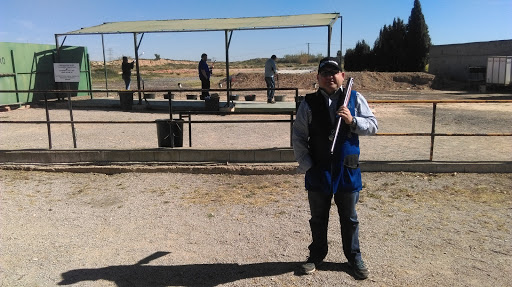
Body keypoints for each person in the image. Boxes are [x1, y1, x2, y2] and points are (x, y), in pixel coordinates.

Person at [292, 57, 378, 280]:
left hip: (347, 170)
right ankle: (317, 255)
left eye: (334, 72)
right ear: (318, 78)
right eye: (325, 73)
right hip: (319, 170)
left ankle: (354, 256)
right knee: (318, 218)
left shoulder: (355, 98)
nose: (330, 76)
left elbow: (373, 126)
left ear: (342, 76)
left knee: (349, 218)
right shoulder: (308, 103)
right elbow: (299, 136)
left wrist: (353, 121)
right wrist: (307, 165)